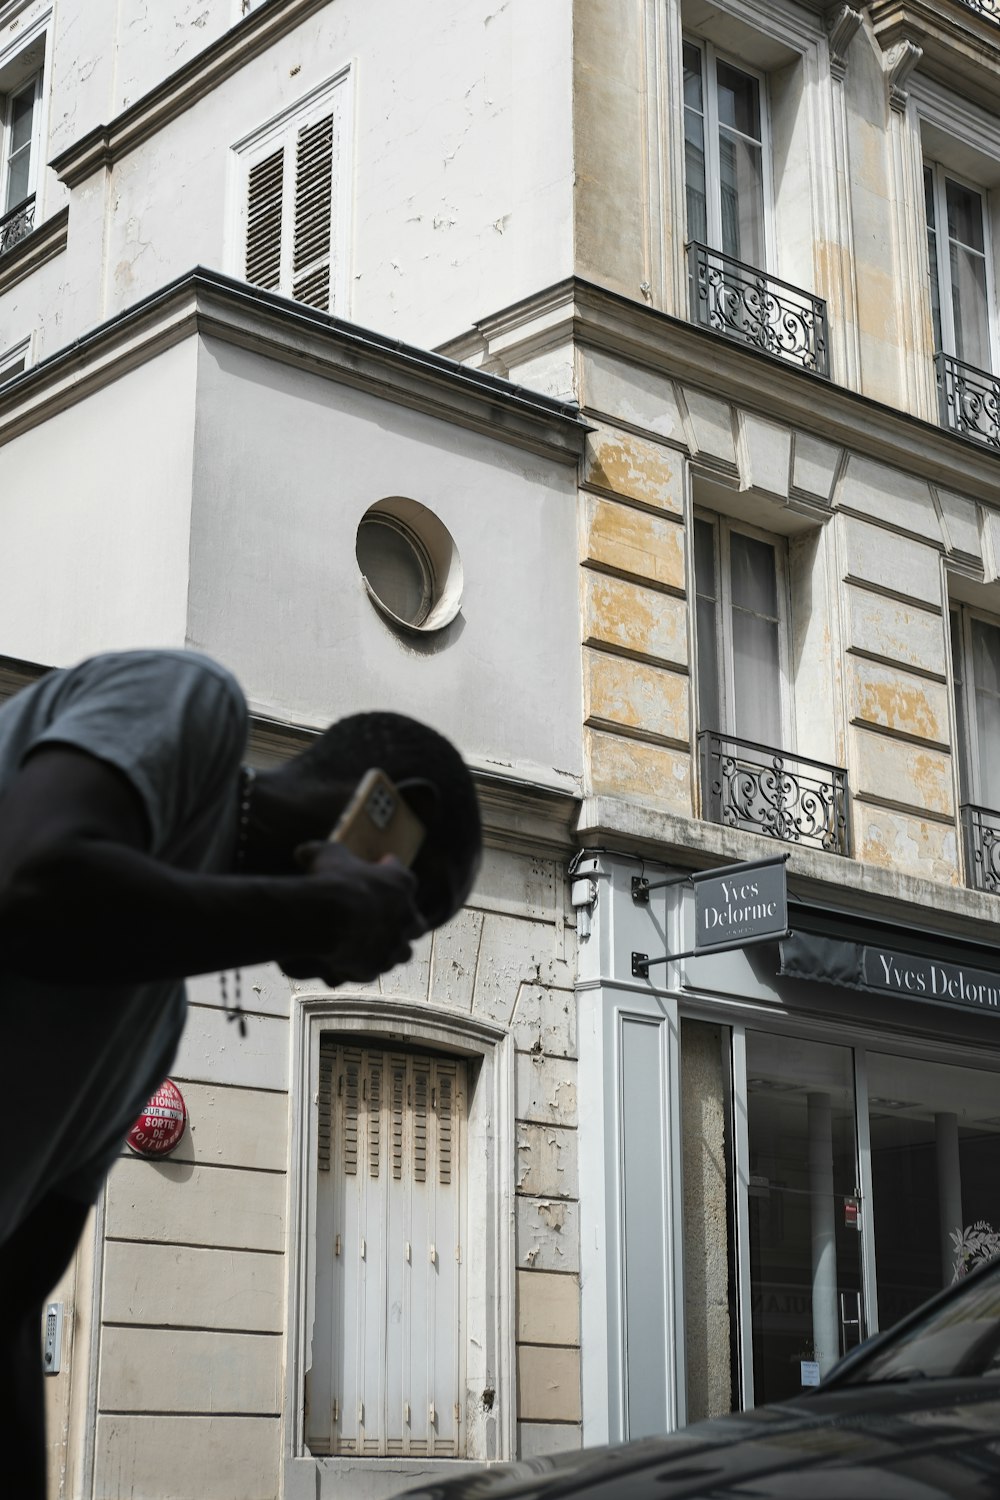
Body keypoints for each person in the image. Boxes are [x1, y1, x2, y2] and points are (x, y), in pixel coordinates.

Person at [0, 648, 482, 1499]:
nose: (384, 956)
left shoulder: (149, 1039)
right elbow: (34, 881)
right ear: (390, 811)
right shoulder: (190, 700)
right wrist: (317, 909)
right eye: (410, 905)